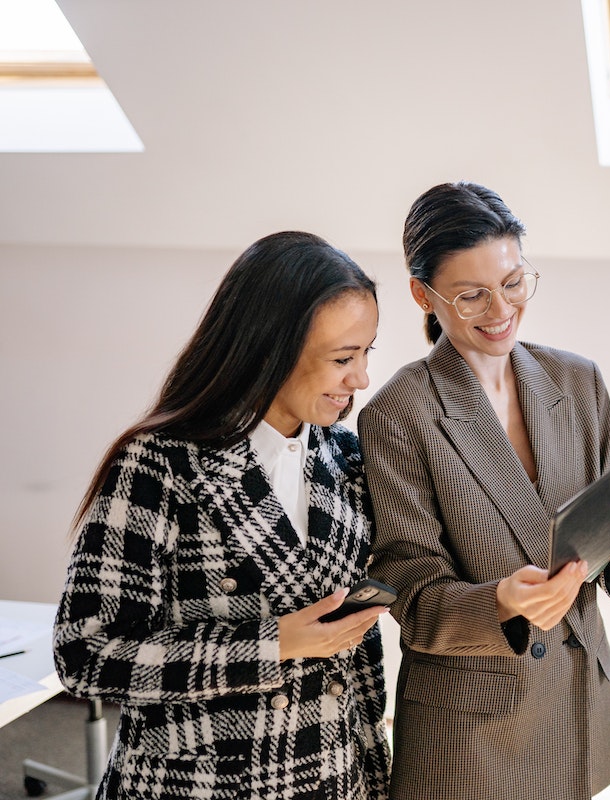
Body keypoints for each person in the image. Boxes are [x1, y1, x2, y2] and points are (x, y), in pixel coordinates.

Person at [53, 231, 391, 799]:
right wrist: (271, 644)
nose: (360, 379)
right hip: (202, 784)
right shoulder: (159, 463)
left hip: (335, 774)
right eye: (342, 359)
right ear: (269, 351)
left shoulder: (347, 456)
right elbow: (84, 654)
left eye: (366, 353)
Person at [359, 181, 610, 800]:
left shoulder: (578, 381)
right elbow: (409, 593)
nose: (501, 310)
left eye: (514, 282)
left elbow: (606, 524)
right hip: (474, 733)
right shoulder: (399, 414)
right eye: (471, 295)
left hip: (581, 701)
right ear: (422, 294)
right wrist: (500, 601)